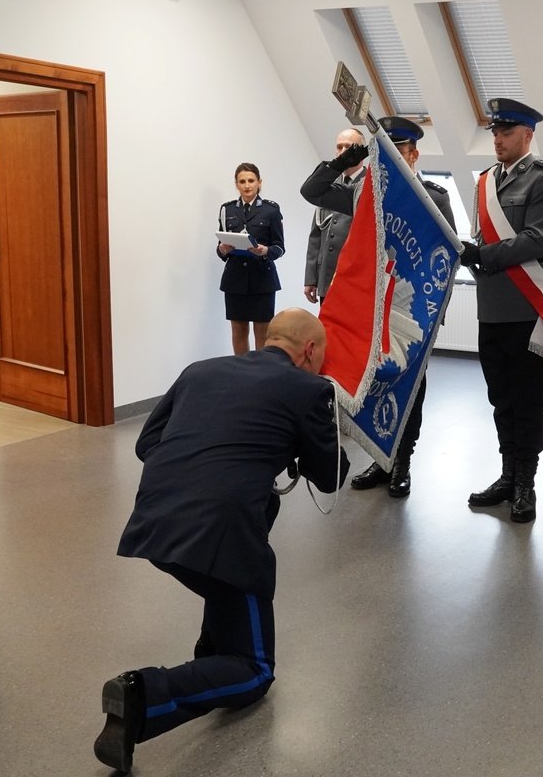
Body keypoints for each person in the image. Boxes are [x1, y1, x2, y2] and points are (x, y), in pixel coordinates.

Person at [95, 308, 348, 772]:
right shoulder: (309, 390)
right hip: (225, 535)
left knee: (221, 589)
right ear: (310, 351)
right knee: (254, 670)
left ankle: (209, 657)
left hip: (156, 517)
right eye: (321, 358)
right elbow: (331, 476)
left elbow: (146, 443)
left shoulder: (200, 370)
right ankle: (143, 696)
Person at [299, 116, 456, 498]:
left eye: (398, 151)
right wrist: (344, 160)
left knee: (409, 387)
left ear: (414, 155)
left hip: (411, 313)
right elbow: (312, 191)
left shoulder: (432, 198)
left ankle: (403, 462)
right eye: (383, 151)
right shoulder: (363, 192)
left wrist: (434, 315)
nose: (392, 158)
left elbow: (448, 259)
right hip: (369, 310)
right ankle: (380, 458)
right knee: (371, 383)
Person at [459, 98, 543, 523]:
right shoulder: (485, 180)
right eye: (495, 133)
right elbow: (479, 237)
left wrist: (483, 255)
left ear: (528, 135)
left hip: (525, 308)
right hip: (491, 308)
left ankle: (526, 483)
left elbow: (538, 239)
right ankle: (507, 475)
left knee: (527, 401)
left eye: (506, 133)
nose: (498, 140)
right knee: (500, 399)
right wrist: (470, 253)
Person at [217, 163, 284, 355]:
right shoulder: (227, 210)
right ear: (236, 184)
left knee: (262, 333)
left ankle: (260, 371)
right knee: (238, 332)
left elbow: (280, 247)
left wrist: (265, 251)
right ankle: (242, 371)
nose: (247, 185)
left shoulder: (271, 210)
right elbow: (221, 246)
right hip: (235, 279)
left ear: (259, 183)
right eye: (242, 181)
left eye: (251, 181)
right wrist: (222, 249)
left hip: (262, 279)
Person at [304, 128, 366, 305]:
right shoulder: (325, 185)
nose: (343, 152)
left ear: (361, 152)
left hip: (355, 276)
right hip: (327, 275)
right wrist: (311, 278)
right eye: (339, 147)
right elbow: (316, 235)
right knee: (325, 322)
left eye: (349, 147)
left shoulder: (368, 184)